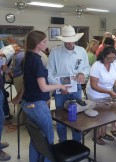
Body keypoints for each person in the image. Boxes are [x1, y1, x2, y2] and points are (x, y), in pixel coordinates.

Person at [12, 30, 67, 162]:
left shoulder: (27, 57)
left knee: (37, 137)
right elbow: (43, 87)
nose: (46, 44)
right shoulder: (36, 60)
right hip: (37, 104)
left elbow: (26, 81)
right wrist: (60, 86)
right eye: (44, 41)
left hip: (28, 103)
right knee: (47, 139)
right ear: (37, 44)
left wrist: (19, 97)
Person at [47, 25, 90, 143]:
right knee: (61, 118)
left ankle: (77, 143)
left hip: (76, 88)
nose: (70, 43)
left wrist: (82, 73)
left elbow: (87, 67)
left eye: (72, 40)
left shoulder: (81, 51)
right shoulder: (55, 52)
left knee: (77, 116)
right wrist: (59, 86)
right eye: (67, 41)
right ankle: (63, 142)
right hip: (60, 89)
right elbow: (49, 73)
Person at [86, 46, 116, 145]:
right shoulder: (96, 66)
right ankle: (96, 136)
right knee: (99, 115)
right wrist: (109, 92)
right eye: (109, 58)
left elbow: (115, 80)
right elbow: (93, 85)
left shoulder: (114, 64)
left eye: (113, 58)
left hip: (108, 92)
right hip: (96, 93)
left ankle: (103, 133)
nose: (111, 60)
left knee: (106, 114)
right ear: (104, 56)